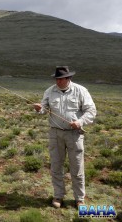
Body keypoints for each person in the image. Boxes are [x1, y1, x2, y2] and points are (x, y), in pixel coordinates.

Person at [34, 66, 96, 209]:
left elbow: (91, 111)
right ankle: (58, 196)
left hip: (75, 134)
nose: (58, 81)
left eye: (61, 79)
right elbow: (44, 109)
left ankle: (79, 199)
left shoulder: (81, 91)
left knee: (77, 167)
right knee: (56, 166)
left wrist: (80, 122)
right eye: (57, 79)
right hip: (55, 133)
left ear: (69, 78)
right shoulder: (49, 91)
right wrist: (39, 109)